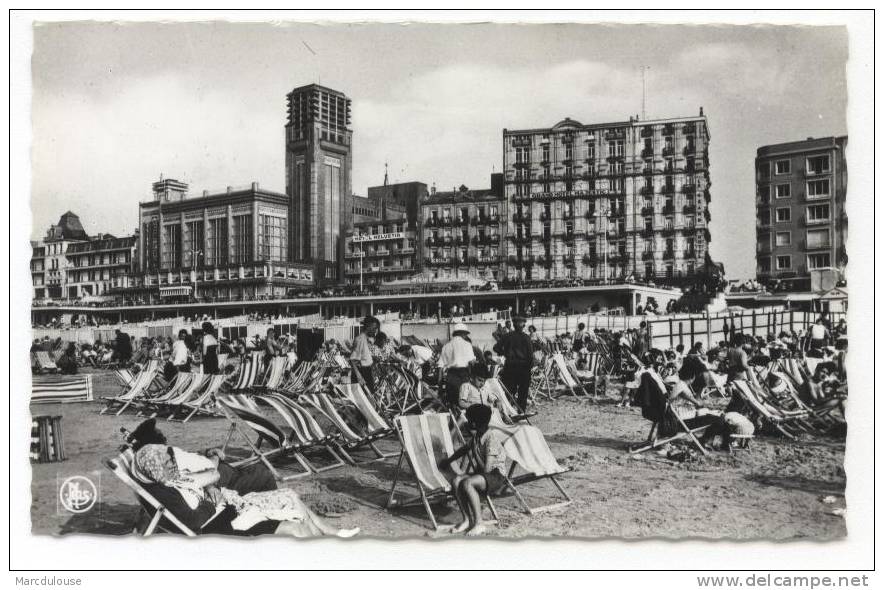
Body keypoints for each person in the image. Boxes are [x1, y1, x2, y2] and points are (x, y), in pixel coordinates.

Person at [132, 443, 358, 538]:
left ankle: (331, 537)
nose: (173, 463)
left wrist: (210, 487)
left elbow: (203, 479)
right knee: (295, 525)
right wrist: (211, 500)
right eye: (168, 463)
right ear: (155, 470)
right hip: (225, 524)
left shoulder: (169, 480)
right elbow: (193, 522)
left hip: (232, 509)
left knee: (290, 498)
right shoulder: (165, 493)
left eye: (171, 459)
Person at [437, 404, 509, 536]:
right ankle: (467, 519)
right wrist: (449, 460)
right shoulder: (478, 437)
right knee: (456, 480)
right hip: (484, 474)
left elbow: (487, 468)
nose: (468, 423)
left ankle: (479, 523)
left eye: (470, 420)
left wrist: (475, 456)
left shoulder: (490, 438)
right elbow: (464, 449)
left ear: (475, 423)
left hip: (496, 476)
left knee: (467, 483)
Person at [494, 316, 534, 412]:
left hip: (510, 367)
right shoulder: (526, 338)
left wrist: (504, 353)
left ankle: (507, 412)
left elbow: (496, 348)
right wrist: (529, 368)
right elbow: (530, 356)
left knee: (508, 392)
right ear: (524, 325)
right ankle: (521, 412)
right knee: (523, 393)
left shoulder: (507, 336)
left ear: (513, 324)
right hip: (523, 368)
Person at [438, 323, 478, 408]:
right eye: (465, 334)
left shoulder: (446, 346)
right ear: (462, 333)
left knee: (453, 401)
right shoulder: (467, 345)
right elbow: (472, 363)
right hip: (464, 375)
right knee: (464, 400)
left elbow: (440, 367)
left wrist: (440, 384)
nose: (466, 336)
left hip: (451, 376)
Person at [352, 316, 380, 392]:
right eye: (374, 328)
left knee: (370, 397)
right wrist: (359, 376)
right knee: (362, 399)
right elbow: (353, 360)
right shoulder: (360, 339)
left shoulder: (366, 339)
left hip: (367, 371)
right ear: (368, 327)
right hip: (360, 373)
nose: (375, 331)